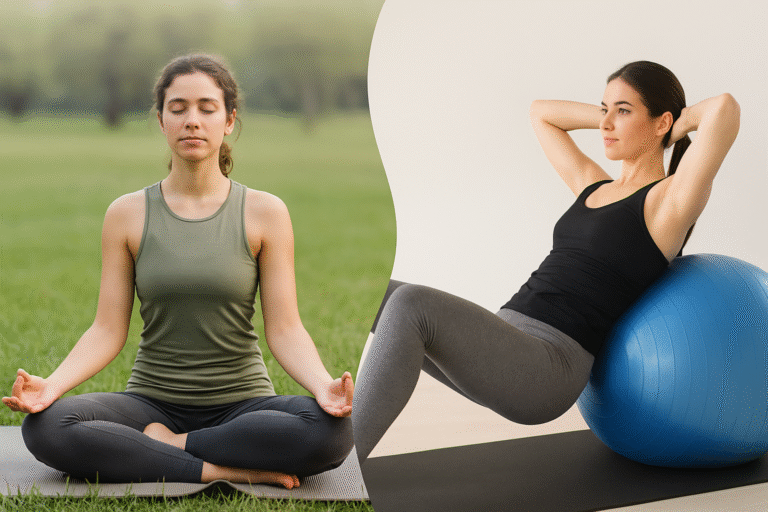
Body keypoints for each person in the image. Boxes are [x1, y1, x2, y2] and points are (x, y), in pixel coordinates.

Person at [352, 61, 740, 463]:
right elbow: (541, 113)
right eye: (604, 108)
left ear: (660, 123)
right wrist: (613, 117)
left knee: (412, 303)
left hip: (549, 366)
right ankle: (329, 423)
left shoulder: (668, 203)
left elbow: (724, 108)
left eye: (623, 110)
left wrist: (677, 124)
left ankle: (347, 459)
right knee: (382, 292)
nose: (607, 123)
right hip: (505, 340)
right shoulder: (593, 183)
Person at [2, 54, 354, 489]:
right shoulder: (126, 214)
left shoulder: (265, 212)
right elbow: (107, 329)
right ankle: (222, 470)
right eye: (179, 108)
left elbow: (285, 328)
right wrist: (51, 387)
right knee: (45, 427)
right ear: (161, 119)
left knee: (332, 433)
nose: (192, 120)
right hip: (150, 402)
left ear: (228, 121)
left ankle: (175, 445)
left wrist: (323, 386)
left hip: (243, 405)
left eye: (207, 108)